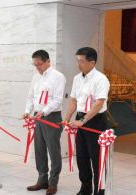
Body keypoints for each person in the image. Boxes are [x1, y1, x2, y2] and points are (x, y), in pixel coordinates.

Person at [64, 47, 110, 195]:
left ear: (92, 62)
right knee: (82, 157)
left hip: (95, 120)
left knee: (97, 158)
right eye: (77, 60)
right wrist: (67, 118)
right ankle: (86, 188)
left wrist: (83, 120)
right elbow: (73, 100)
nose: (79, 64)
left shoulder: (101, 79)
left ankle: (99, 190)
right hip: (80, 118)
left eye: (82, 61)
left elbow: (99, 103)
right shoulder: (77, 78)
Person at [24, 50, 66, 195]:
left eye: (39, 64)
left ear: (48, 61)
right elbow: (31, 96)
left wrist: (44, 111)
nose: (37, 67)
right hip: (37, 116)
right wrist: (27, 111)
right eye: (34, 65)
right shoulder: (36, 77)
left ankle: (53, 183)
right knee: (39, 149)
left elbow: (57, 99)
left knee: (53, 151)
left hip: (51, 117)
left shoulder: (58, 77)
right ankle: (42, 179)